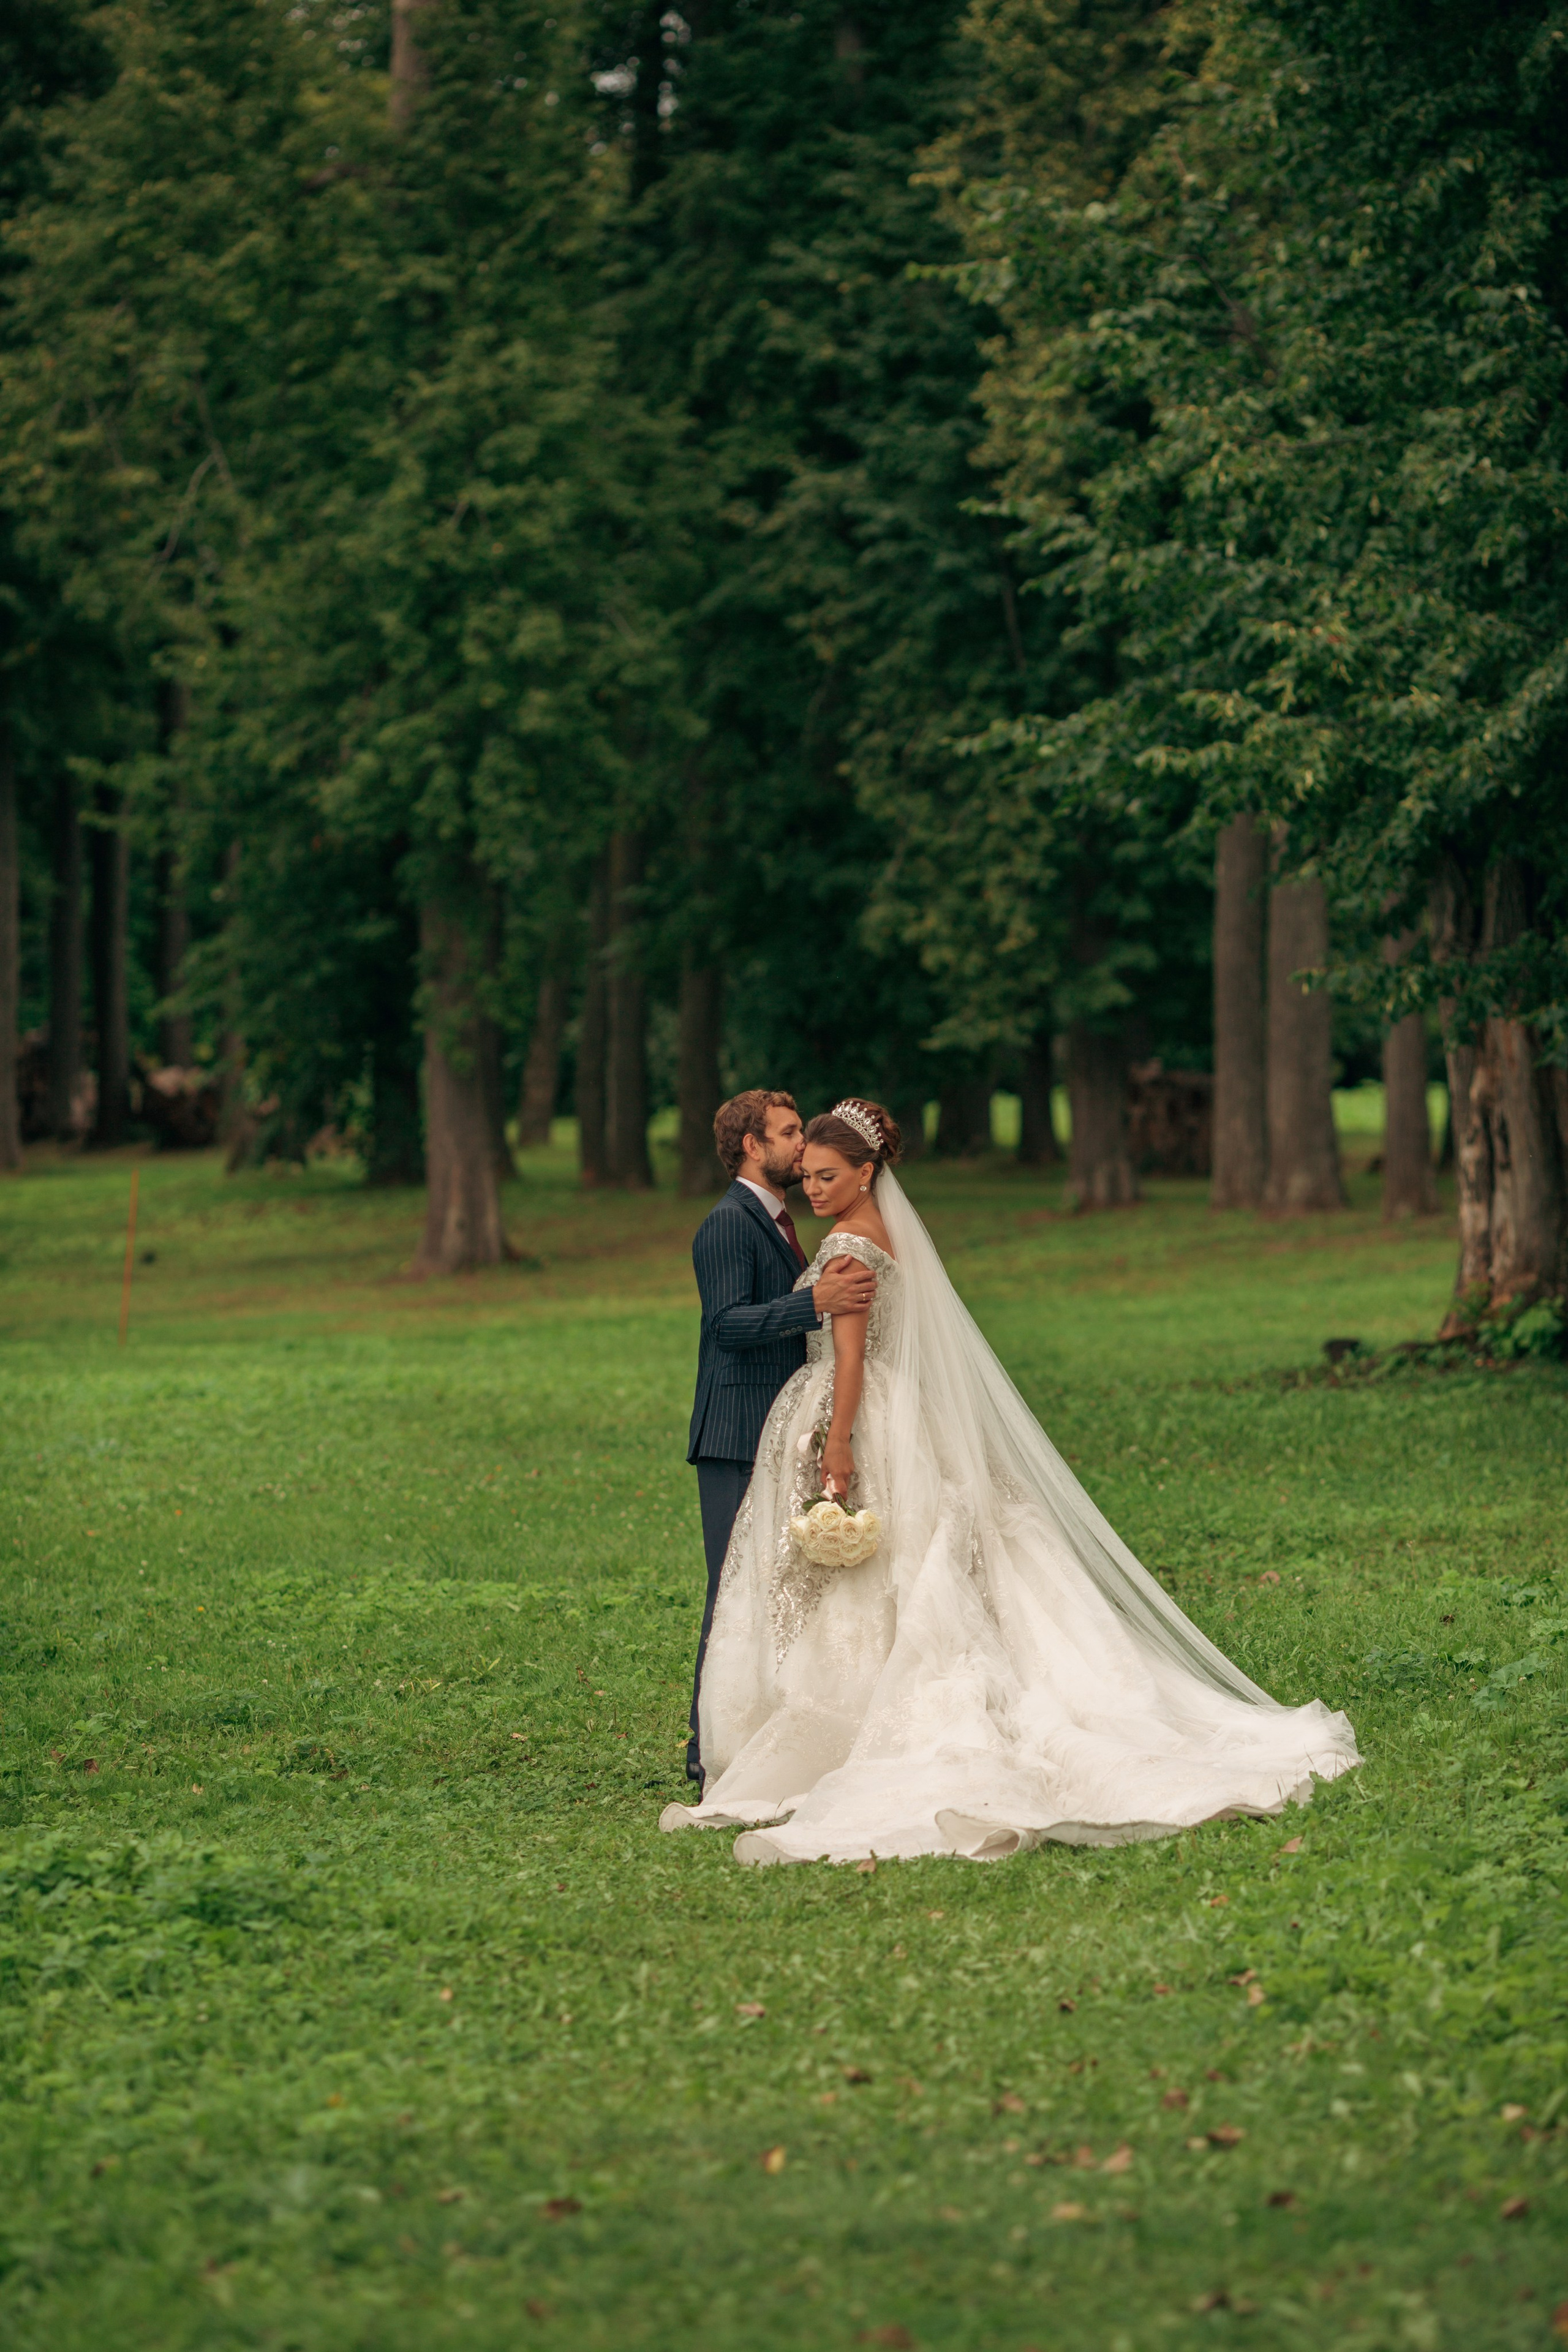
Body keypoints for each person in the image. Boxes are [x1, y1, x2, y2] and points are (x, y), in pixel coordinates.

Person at [665, 1096, 1359, 1864]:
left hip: (854, 1415)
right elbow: (731, 1322)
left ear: (866, 1173)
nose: (808, 1176)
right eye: (802, 1160)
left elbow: (854, 1360)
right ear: (752, 1144)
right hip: (858, 1418)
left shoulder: (847, 1248)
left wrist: (836, 1440)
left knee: (865, 1577)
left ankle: (833, 1729)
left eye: (825, 1171)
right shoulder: (842, 1232)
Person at [684, 1090, 877, 1790]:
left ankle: (771, 1732)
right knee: (731, 1591)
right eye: (788, 1134)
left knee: (776, 1588)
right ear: (749, 1146)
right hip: (736, 1431)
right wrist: (812, 1304)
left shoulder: (782, 1220)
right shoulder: (727, 1225)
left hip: (779, 1431)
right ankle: (706, 1751)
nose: (802, 1146)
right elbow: (726, 1325)